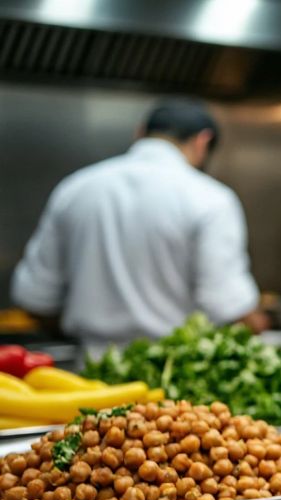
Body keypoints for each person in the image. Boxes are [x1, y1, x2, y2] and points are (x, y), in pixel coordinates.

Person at [12, 98, 266, 356]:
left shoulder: (75, 188)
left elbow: (35, 299)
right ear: (203, 141)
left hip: (87, 373)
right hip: (174, 376)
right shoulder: (211, 198)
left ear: (140, 132)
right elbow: (228, 306)